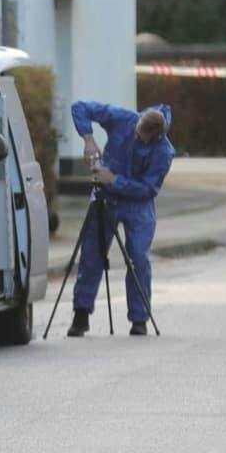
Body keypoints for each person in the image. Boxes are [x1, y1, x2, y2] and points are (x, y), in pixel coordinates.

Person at [67, 100, 174, 337]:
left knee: (138, 257)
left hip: (138, 205)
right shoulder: (123, 118)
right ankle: (81, 314)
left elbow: (148, 189)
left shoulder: (164, 152)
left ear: (154, 137)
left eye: (141, 137)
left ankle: (139, 319)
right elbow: (80, 107)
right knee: (92, 254)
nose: (136, 137)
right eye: (135, 132)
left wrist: (114, 180)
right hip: (106, 197)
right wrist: (88, 138)